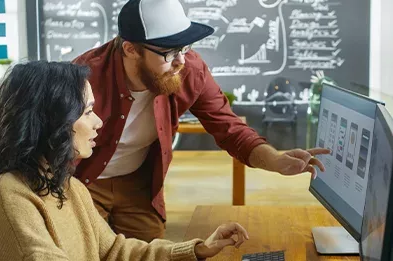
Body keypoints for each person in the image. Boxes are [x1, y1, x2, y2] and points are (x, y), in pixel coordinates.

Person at [73, 0, 330, 242]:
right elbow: (48, 147)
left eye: (185, 48)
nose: (180, 61)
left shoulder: (189, 70)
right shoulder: (83, 77)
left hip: (139, 182)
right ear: (130, 48)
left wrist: (275, 160)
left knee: (150, 252)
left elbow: (230, 129)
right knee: (84, 248)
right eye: (168, 52)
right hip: (82, 179)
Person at [0, 61, 250, 261]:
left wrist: (199, 250)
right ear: (51, 121)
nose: (98, 122)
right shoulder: (11, 195)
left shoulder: (68, 186)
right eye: (87, 112)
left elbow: (114, 251)